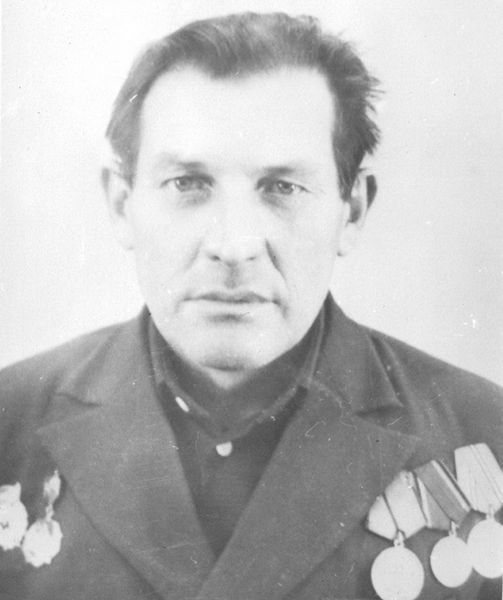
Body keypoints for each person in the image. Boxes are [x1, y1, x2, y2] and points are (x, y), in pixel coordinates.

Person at [0, 12, 502, 600]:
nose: (233, 246)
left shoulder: (483, 432)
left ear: (353, 210)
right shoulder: (10, 424)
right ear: (120, 204)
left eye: (283, 188)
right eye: (188, 184)